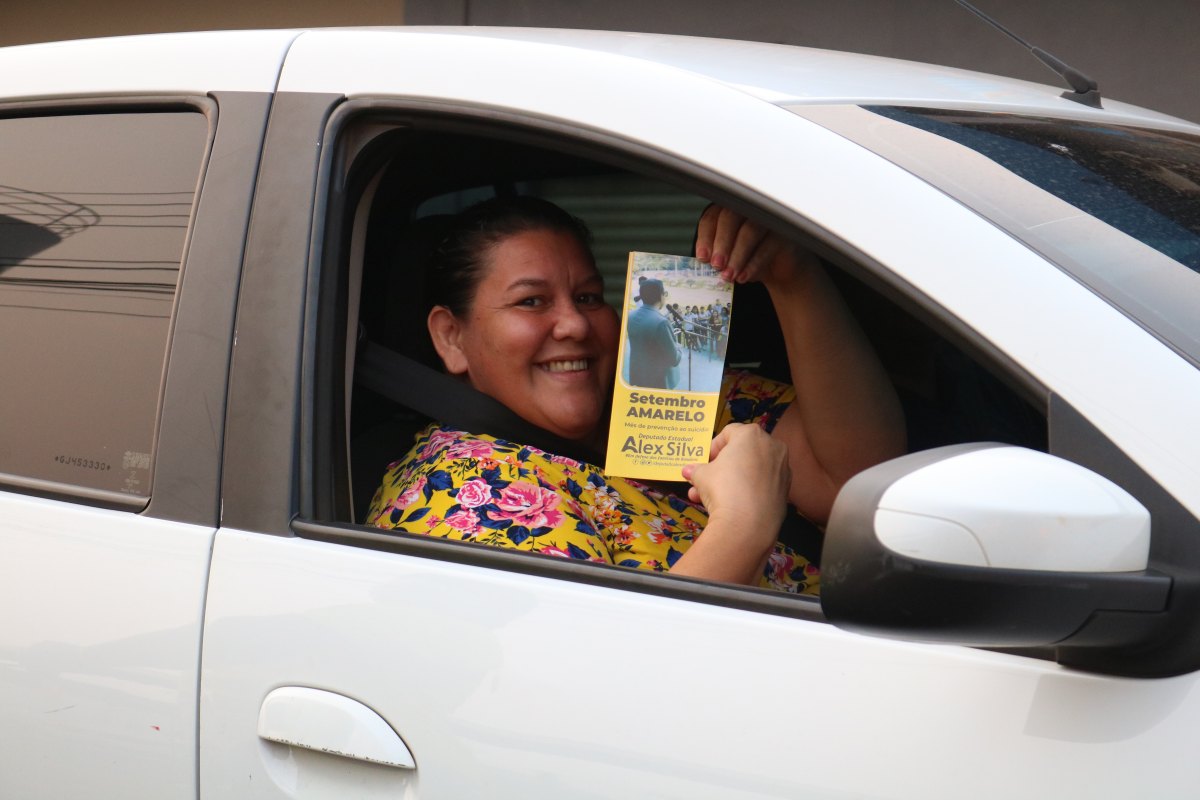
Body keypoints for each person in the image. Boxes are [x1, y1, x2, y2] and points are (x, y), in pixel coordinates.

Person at [365, 196, 905, 594]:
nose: (576, 324)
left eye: (588, 296)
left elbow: (855, 483)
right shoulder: (456, 492)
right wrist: (745, 523)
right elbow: (604, 676)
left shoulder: (664, 394)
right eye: (531, 301)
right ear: (451, 337)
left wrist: (794, 277)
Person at [626, 277, 681, 389]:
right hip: (658, 382)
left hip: (638, 376)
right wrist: (679, 347)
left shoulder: (630, 315)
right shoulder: (661, 322)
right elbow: (674, 359)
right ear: (661, 296)